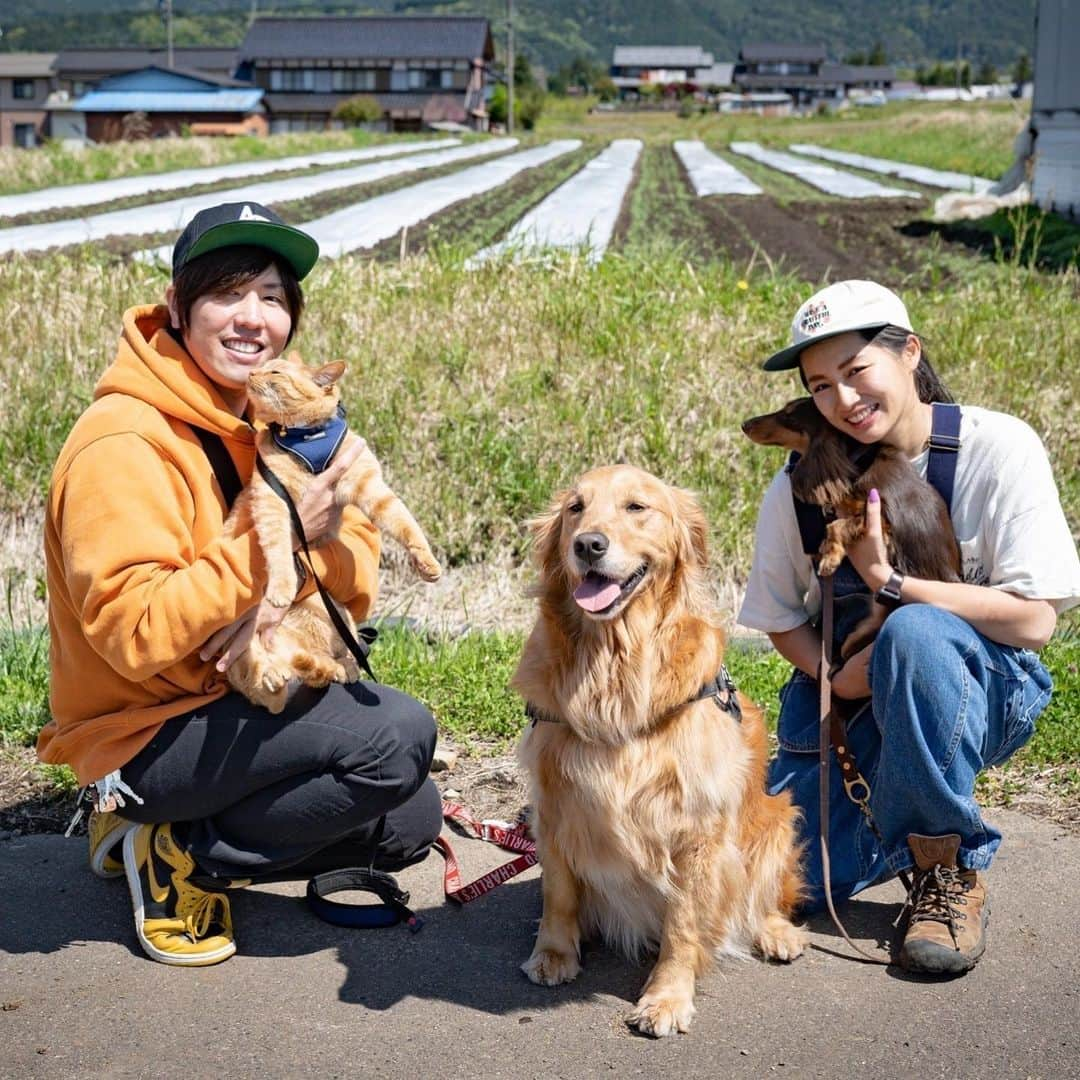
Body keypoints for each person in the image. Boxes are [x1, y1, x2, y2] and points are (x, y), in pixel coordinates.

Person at [38, 202, 441, 967]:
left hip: (232, 697)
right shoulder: (125, 441)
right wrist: (272, 553)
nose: (252, 317)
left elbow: (353, 591)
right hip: (143, 726)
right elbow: (134, 635)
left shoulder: (269, 422)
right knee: (396, 739)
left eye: (273, 297)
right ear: (179, 306)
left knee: (411, 818)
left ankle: (164, 826)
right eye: (227, 293)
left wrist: (277, 584)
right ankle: (175, 847)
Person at [738, 279, 1080, 974]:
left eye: (857, 371)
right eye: (822, 386)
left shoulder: (998, 449)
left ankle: (941, 865)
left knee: (916, 634)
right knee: (770, 885)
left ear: (909, 353)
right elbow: (778, 621)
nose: (844, 400)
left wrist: (890, 583)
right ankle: (895, 810)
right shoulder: (801, 483)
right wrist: (833, 675)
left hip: (978, 686)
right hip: (848, 701)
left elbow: (1037, 621)